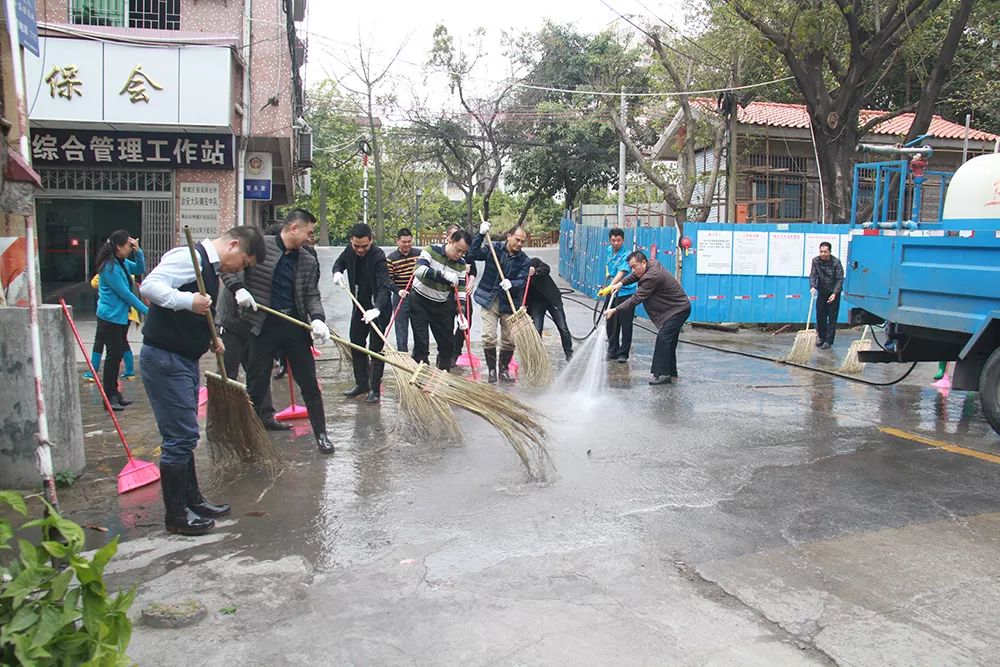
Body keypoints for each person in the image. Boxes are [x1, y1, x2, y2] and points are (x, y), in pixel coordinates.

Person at [139, 226, 266, 536]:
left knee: (185, 435)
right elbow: (150, 287)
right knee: (179, 438)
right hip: (164, 358)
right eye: (244, 263)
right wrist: (187, 302)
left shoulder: (208, 268)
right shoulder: (188, 257)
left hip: (182, 359)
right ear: (234, 246)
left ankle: (193, 501)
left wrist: (211, 337)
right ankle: (177, 516)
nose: (240, 270)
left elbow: (200, 311)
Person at [222, 209, 334, 453]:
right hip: (263, 325)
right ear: (294, 228)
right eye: (309, 232)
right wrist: (239, 289)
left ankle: (322, 435)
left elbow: (311, 294)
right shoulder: (261, 246)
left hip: (294, 326)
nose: (310, 238)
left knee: (310, 385)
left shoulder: (307, 259)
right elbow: (228, 269)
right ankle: (249, 437)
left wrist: (317, 318)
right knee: (256, 382)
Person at [605, 251, 690, 385]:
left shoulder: (652, 276)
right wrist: (620, 284)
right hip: (675, 309)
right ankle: (671, 371)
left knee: (663, 338)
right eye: (631, 267)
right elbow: (634, 275)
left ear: (643, 263)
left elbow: (636, 298)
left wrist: (615, 310)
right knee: (669, 340)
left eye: (634, 266)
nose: (633, 270)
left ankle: (663, 374)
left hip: (678, 309)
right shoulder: (650, 264)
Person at [332, 222, 393, 402]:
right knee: (356, 343)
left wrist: (377, 309)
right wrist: (337, 273)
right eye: (356, 246)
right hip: (359, 304)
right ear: (351, 241)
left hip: (378, 309)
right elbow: (339, 263)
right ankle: (362, 383)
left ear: (371, 240)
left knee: (376, 348)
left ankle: (374, 388)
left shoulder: (378, 257)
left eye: (364, 246)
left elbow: (384, 287)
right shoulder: (349, 250)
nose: (360, 250)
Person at [467, 221, 530, 384]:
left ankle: (503, 370)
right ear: (509, 236)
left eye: (523, 241)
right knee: (489, 336)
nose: (519, 244)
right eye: (517, 239)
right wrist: (480, 234)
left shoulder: (524, 260)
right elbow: (472, 254)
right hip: (489, 299)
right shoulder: (493, 248)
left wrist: (512, 283)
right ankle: (492, 370)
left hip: (510, 303)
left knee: (509, 340)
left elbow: (523, 280)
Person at [93, 230, 148, 411]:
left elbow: (140, 269)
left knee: (116, 357)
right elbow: (125, 293)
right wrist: (145, 310)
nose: (129, 249)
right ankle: (109, 397)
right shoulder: (109, 268)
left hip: (120, 317)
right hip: (110, 319)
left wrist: (138, 251)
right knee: (112, 357)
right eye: (127, 246)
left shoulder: (121, 262)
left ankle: (115, 394)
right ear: (118, 247)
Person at [409, 228, 472, 369]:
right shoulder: (431, 250)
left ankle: (442, 377)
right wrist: (442, 275)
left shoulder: (461, 264)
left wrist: (461, 313)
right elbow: (418, 270)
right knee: (421, 344)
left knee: (447, 345)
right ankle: (420, 375)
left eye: (464, 252)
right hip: (419, 302)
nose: (460, 255)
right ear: (450, 241)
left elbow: (461, 289)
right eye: (458, 250)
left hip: (441, 305)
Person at [83, 272, 141, 382]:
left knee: (100, 341)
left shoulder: (107, 271)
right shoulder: (126, 272)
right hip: (127, 313)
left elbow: (94, 283)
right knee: (123, 340)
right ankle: (129, 371)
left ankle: (93, 372)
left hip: (111, 314)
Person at [526, 256, 573, 361]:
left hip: (552, 299)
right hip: (536, 303)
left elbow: (546, 268)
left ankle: (569, 354)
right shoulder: (519, 274)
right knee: (537, 330)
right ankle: (538, 357)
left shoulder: (534, 262)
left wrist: (536, 270)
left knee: (563, 327)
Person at [446, 223, 477, 366]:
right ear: (449, 239)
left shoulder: (465, 252)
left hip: (463, 291)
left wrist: (470, 283)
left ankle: (456, 350)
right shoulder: (444, 252)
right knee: (446, 323)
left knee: (466, 321)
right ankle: (445, 353)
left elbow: (473, 272)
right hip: (447, 293)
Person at [386, 227, 421, 352]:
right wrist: (398, 291)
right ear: (397, 241)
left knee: (419, 328)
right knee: (401, 329)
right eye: (404, 242)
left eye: (409, 241)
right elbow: (388, 280)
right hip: (400, 296)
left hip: (418, 296)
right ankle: (403, 356)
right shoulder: (391, 258)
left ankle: (419, 356)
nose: (406, 244)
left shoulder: (419, 255)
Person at [604, 228, 635, 363]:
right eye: (613, 240)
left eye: (618, 240)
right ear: (610, 240)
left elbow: (621, 273)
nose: (615, 243)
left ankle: (623, 353)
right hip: (612, 291)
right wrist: (608, 281)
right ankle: (612, 350)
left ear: (623, 240)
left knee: (625, 323)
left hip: (625, 293)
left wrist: (612, 285)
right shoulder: (609, 251)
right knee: (610, 322)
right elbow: (608, 267)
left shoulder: (627, 255)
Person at [808, 241, 844, 350]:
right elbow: (813, 275)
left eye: (825, 251)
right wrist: (813, 286)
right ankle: (821, 337)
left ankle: (828, 341)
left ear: (830, 252)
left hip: (833, 292)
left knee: (832, 318)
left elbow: (840, 279)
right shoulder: (816, 261)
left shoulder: (836, 262)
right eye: (821, 251)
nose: (823, 254)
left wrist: (835, 293)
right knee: (820, 316)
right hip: (822, 291)